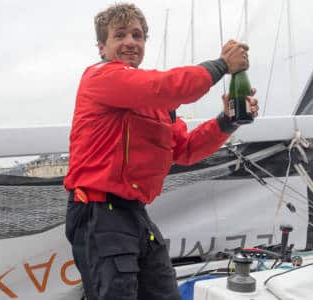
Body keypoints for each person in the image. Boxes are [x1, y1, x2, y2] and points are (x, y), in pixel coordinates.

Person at [63, 3, 258, 299]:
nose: (131, 41)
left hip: (134, 212)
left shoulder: (156, 103)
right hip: (99, 212)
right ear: (103, 47)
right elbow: (164, 86)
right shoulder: (101, 78)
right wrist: (221, 65)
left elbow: (186, 149)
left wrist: (227, 120)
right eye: (120, 35)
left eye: (137, 35)